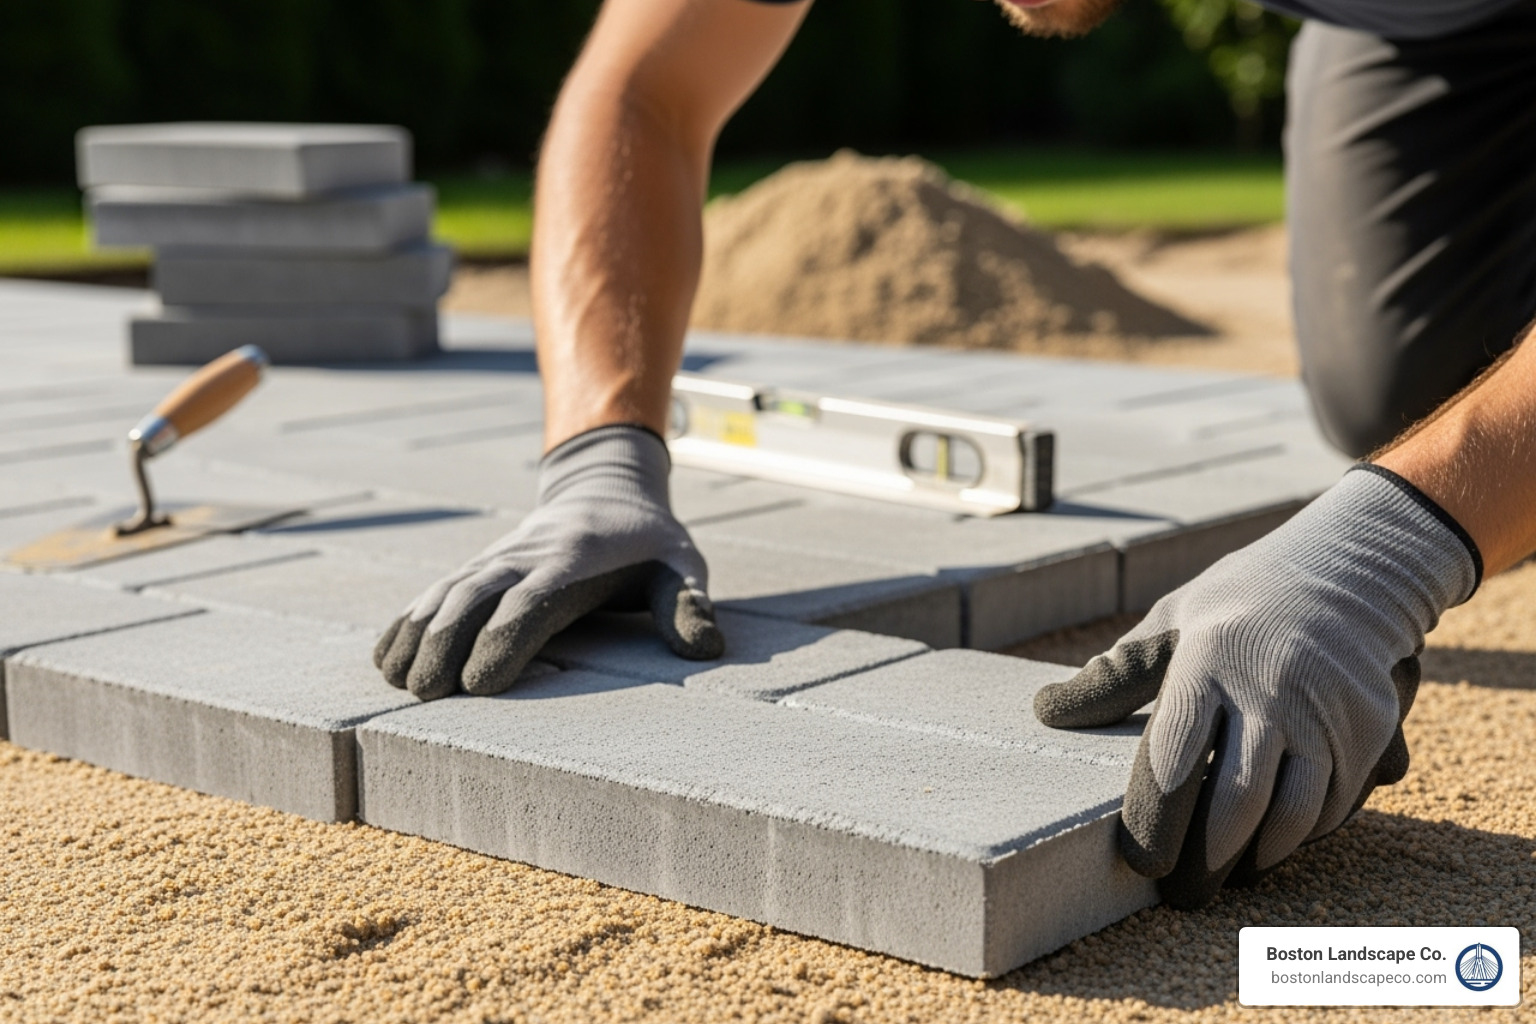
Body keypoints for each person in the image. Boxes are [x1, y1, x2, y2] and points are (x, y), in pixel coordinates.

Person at [373, 0, 1536, 909]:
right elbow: (642, 91)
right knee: (1401, 391)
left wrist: (1394, 540)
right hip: (1420, 33)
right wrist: (599, 449)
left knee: (1460, 473)